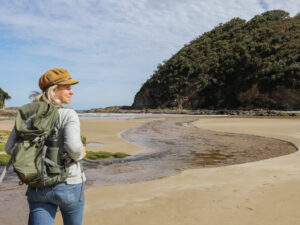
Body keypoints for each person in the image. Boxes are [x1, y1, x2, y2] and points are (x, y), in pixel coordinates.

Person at [5, 68, 86, 225]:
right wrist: (82, 153)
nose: (72, 92)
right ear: (54, 90)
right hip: (69, 183)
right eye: (68, 87)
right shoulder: (68, 114)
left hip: (38, 185)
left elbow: (9, 148)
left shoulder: (28, 115)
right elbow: (74, 149)